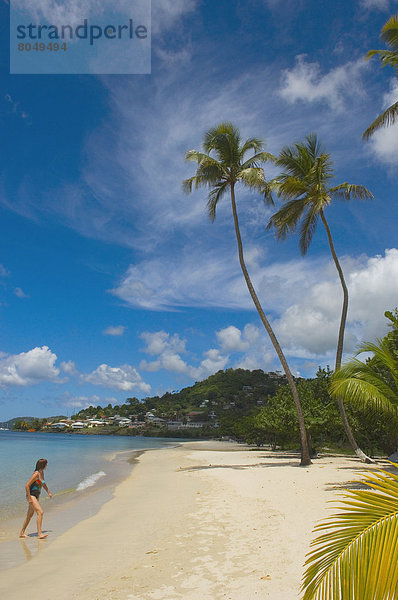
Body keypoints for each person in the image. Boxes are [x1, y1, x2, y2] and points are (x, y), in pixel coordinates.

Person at [19, 458, 52, 539]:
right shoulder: (36, 474)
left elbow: (43, 483)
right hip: (32, 496)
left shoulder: (42, 473)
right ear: (43, 465)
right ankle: (39, 533)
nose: (46, 466)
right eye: (46, 464)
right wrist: (29, 498)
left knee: (29, 515)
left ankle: (22, 533)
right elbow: (27, 486)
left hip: (36, 496)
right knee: (40, 512)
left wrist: (48, 492)